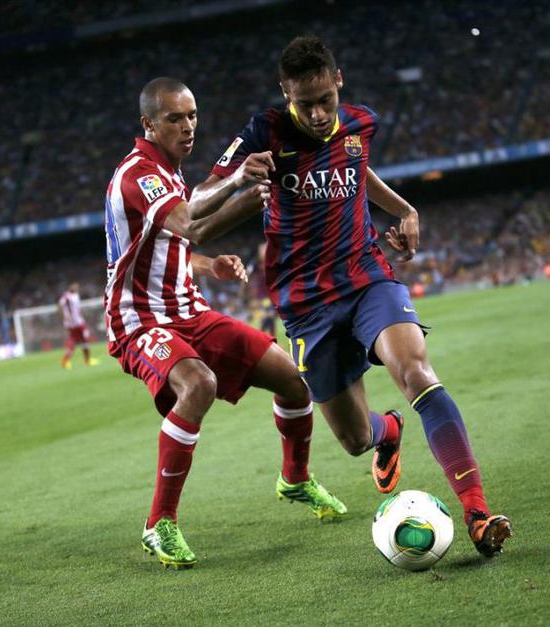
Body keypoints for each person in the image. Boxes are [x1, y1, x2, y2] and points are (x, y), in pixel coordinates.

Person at [194, 36, 511, 557]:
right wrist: (233, 180)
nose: (318, 114)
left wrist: (405, 209)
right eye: (305, 104)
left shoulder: (361, 123)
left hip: (366, 277)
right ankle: (389, 431)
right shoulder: (264, 132)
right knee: (355, 440)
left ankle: (478, 513)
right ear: (286, 93)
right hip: (305, 304)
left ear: (338, 80)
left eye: (325, 100)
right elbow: (196, 205)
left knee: (416, 372)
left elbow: (356, 168)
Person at [105, 77, 345, 569]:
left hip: (189, 311)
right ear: (148, 124)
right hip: (140, 320)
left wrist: (208, 265)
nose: (188, 126)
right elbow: (188, 224)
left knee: (292, 379)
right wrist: (242, 190)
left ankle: (295, 478)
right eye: (174, 118)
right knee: (199, 384)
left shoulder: (169, 174)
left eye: (192, 115)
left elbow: (165, 245)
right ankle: (159, 524)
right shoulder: (139, 174)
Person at [57, 283, 98, 369]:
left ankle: (86, 360)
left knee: (79, 340)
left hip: (70, 324)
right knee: (80, 339)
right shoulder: (74, 297)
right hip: (78, 323)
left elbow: (59, 308)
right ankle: (68, 360)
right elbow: (77, 309)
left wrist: (65, 318)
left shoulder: (64, 298)